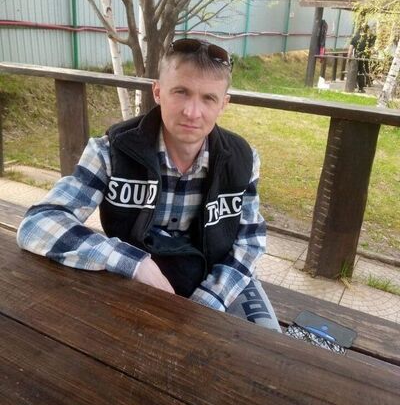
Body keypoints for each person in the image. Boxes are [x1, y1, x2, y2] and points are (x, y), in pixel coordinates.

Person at [16, 38, 281, 333]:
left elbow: (250, 242)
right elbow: (37, 224)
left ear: (223, 104)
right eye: (181, 92)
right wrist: (133, 263)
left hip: (219, 279)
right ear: (157, 92)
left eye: (208, 98)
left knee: (268, 346)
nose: (192, 112)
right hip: (140, 279)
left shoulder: (242, 159)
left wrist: (206, 303)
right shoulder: (112, 151)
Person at [347, 23, 376, 92]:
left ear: (360, 29)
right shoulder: (369, 38)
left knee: (355, 71)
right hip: (366, 57)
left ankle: (354, 85)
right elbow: (372, 49)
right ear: (367, 29)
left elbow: (350, 49)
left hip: (357, 56)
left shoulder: (355, 37)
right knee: (362, 72)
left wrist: (348, 58)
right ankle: (361, 87)